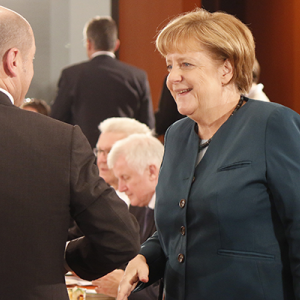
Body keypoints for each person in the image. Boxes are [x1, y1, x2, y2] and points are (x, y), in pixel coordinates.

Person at [117, 8, 300, 300]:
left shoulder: (273, 124)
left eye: (186, 64)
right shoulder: (176, 135)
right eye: (169, 66)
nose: (173, 77)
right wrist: (146, 257)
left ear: (226, 70)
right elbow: (180, 225)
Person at [0, 6, 140, 300]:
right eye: (32, 59)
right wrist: (63, 256)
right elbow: (120, 238)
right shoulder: (58, 140)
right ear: (13, 61)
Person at [50, 16, 155, 147]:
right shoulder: (138, 76)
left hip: (83, 157)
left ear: (88, 43)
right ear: (116, 44)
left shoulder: (71, 75)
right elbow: (147, 126)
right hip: (124, 156)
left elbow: (56, 120)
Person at [92, 134, 164, 299]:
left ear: (152, 172)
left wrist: (123, 286)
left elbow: (169, 289)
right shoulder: (138, 206)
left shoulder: (175, 211)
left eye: (125, 178)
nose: (121, 188)